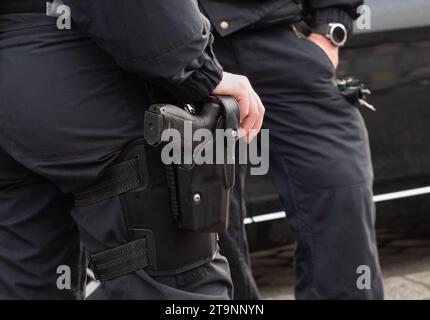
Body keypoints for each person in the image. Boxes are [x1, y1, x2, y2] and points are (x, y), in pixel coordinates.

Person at [0, 0, 264, 299]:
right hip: (89, 75)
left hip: (14, 83)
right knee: (178, 284)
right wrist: (200, 70)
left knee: (25, 281)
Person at [200, 0, 384, 299]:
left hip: (280, 40)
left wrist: (330, 28)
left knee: (342, 191)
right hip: (189, 49)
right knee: (205, 222)